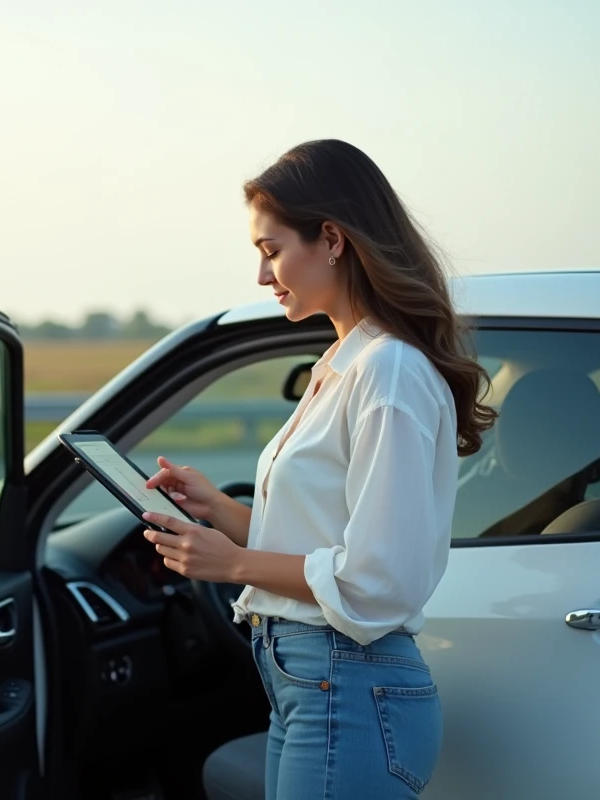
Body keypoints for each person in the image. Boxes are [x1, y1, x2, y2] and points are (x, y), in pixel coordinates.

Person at [141, 139, 496, 799]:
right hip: (313, 683)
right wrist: (221, 511)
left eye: (270, 251)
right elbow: (328, 545)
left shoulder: (386, 369)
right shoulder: (345, 364)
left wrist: (229, 564)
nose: (261, 275)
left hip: (346, 682)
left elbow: (374, 579)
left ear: (331, 239)